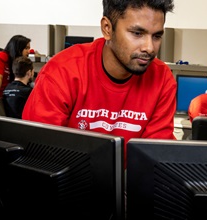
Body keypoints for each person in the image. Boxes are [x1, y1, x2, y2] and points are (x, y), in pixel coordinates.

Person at [22, 0, 177, 163]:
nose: (150, 47)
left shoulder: (162, 78)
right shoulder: (62, 71)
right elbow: (38, 156)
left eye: (157, 36)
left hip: (127, 186)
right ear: (107, 29)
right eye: (137, 33)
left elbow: (155, 160)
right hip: (67, 184)